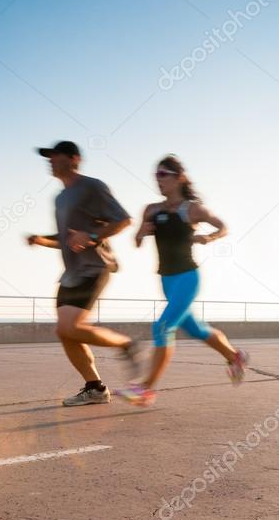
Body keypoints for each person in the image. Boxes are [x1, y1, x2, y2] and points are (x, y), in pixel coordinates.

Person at [118, 155, 247, 406]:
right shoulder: (151, 210)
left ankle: (146, 389)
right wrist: (141, 233)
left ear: (180, 178)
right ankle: (235, 356)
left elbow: (223, 226)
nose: (158, 180)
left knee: (163, 328)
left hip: (188, 278)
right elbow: (136, 241)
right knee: (197, 329)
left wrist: (209, 238)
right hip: (166, 280)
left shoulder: (192, 209)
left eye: (163, 174)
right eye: (156, 175)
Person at [26, 141, 140, 406]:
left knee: (72, 326)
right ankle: (96, 388)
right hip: (71, 273)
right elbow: (67, 238)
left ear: (74, 158)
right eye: (48, 157)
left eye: (55, 155)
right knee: (64, 332)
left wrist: (90, 235)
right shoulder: (60, 197)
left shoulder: (93, 186)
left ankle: (125, 344)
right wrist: (41, 240)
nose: (50, 160)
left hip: (94, 267)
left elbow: (123, 220)